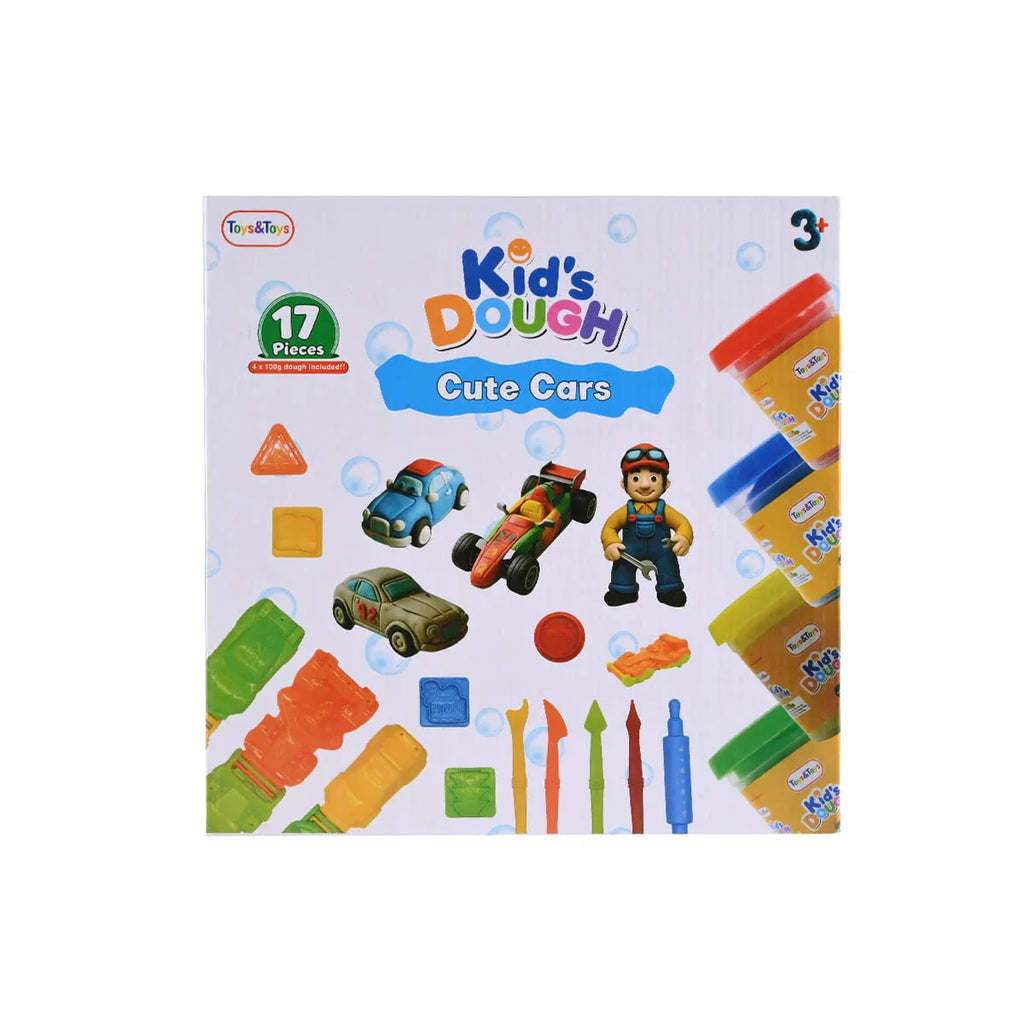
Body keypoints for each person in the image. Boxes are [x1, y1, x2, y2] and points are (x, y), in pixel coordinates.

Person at [600, 445, 693, 606]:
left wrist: (684, 538)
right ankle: (623, 591)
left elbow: (682, 523)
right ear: (624, 483)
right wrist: (611, 543)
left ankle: (670, 590)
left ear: (666, 483)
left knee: (668, 566)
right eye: (636, 478)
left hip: (662, 550)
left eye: (653, 478)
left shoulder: (665, 510)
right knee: (623, 567)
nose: (644, 485)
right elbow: (610, 527)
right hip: (629, 551)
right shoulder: (625, 511)